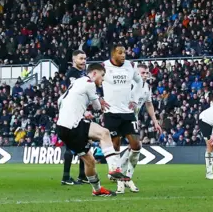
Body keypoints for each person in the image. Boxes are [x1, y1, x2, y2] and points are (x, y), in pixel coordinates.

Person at [56, 63, 128, 197]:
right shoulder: (89, 83)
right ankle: (113, 169)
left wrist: (81, 112)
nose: (102, 80)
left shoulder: (76, 83)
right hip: (74, 125)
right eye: (102, 76)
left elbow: (60, 101)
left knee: (90, 161)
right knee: (104, 133)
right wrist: (98, 104)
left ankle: (97, 189)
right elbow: (96, 107)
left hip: (61, 128)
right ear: (94, 73)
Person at [101, 44, 143, 194]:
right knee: (115, 146)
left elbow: (140, 82)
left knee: (136, 145)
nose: (123, 55)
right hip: (111, 113)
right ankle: (120, 181)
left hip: (127, 112)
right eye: (120, 53)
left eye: (124, 52)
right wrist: (98, 99)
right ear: (113, 54)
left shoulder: (131, 66)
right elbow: (92, 83)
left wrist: (135, 99)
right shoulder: (103, 66)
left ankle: (128, 175)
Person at [118, 64, 162, 193]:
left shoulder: (147, 87)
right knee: (117, 147)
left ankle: (125, 177)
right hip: (120, 118)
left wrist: (155, 121)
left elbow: (148, 104)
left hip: (132, 120)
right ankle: (118, 174)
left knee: (136, 146)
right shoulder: (128, 84)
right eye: (142, 73)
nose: (145, 75)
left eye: (146, 73)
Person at [61, 50, 88, 186]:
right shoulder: (72, 74)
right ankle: (66, 177)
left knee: (83, 144)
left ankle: (82, 175)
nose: (83, 61)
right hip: (72, 113)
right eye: (80, 58)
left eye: (84, 58)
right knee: (71, 145)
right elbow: (74, 93)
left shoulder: (82, 74)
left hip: (80, 112)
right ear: (74, 60)